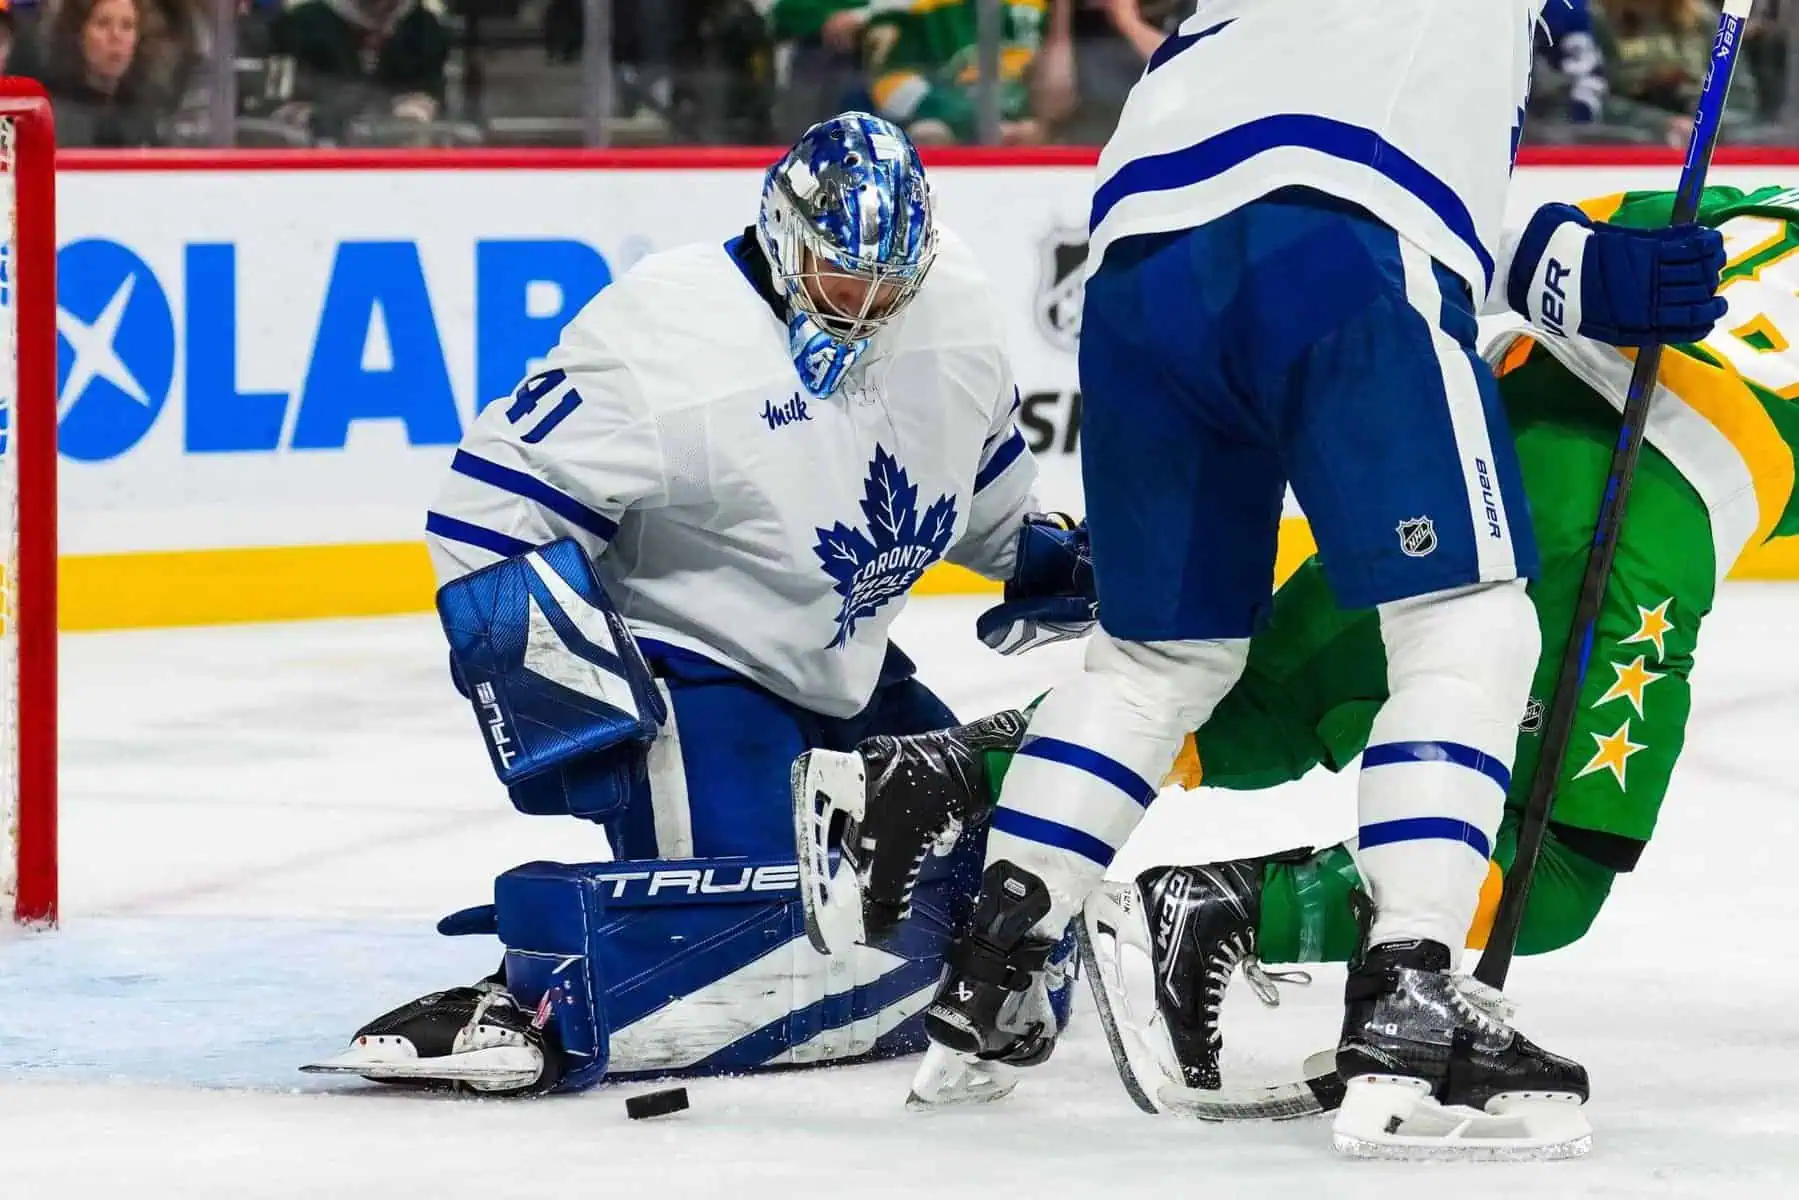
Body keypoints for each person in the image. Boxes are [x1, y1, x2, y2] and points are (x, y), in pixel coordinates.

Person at [800, 0, 1727, 1159]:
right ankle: (1408, 995)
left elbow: (1354, 133)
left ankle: (990, 975)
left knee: (1153, 659)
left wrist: (1575, 270)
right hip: (1342, 247)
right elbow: (1372, 177)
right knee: (1465, 625)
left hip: (1139, 265)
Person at [303, 113, 1080, 1096]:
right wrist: (569, 710)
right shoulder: (660, 339)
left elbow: (973, 481)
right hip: (701, 670)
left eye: (894, 282)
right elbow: (487, 512)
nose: (872, 305)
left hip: (848, 664)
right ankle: (520, 997)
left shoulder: (952, 300)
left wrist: (1040, 556)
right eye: (846, 277)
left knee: (1015, 867)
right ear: (784, 238)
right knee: (748, 945)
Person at [29, 0, 161, 147]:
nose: (116, 36)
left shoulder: (146, 113)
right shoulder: (47, 113)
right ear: (78, 35)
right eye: (103, 24)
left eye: (127, 26)